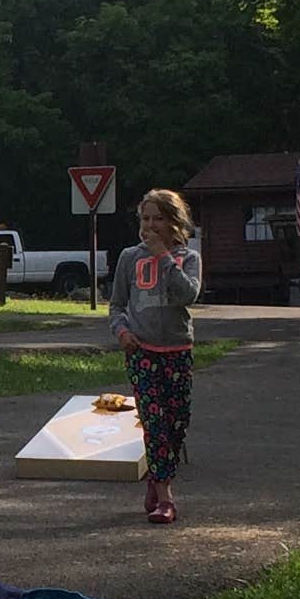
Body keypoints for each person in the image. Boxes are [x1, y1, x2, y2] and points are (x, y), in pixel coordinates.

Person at [112, 188, 203, 525]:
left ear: (173, 221)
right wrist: (122, 332)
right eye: (145, 218)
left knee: (177, 422)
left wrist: (163, 256)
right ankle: (166, 497)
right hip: (143, 352)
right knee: (155, 424)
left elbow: (187, 295)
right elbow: (117, 305)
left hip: (178, 351)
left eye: (158, 219)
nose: (150, 225)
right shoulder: (128, 257)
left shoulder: (187, 258)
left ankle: (156, 479)